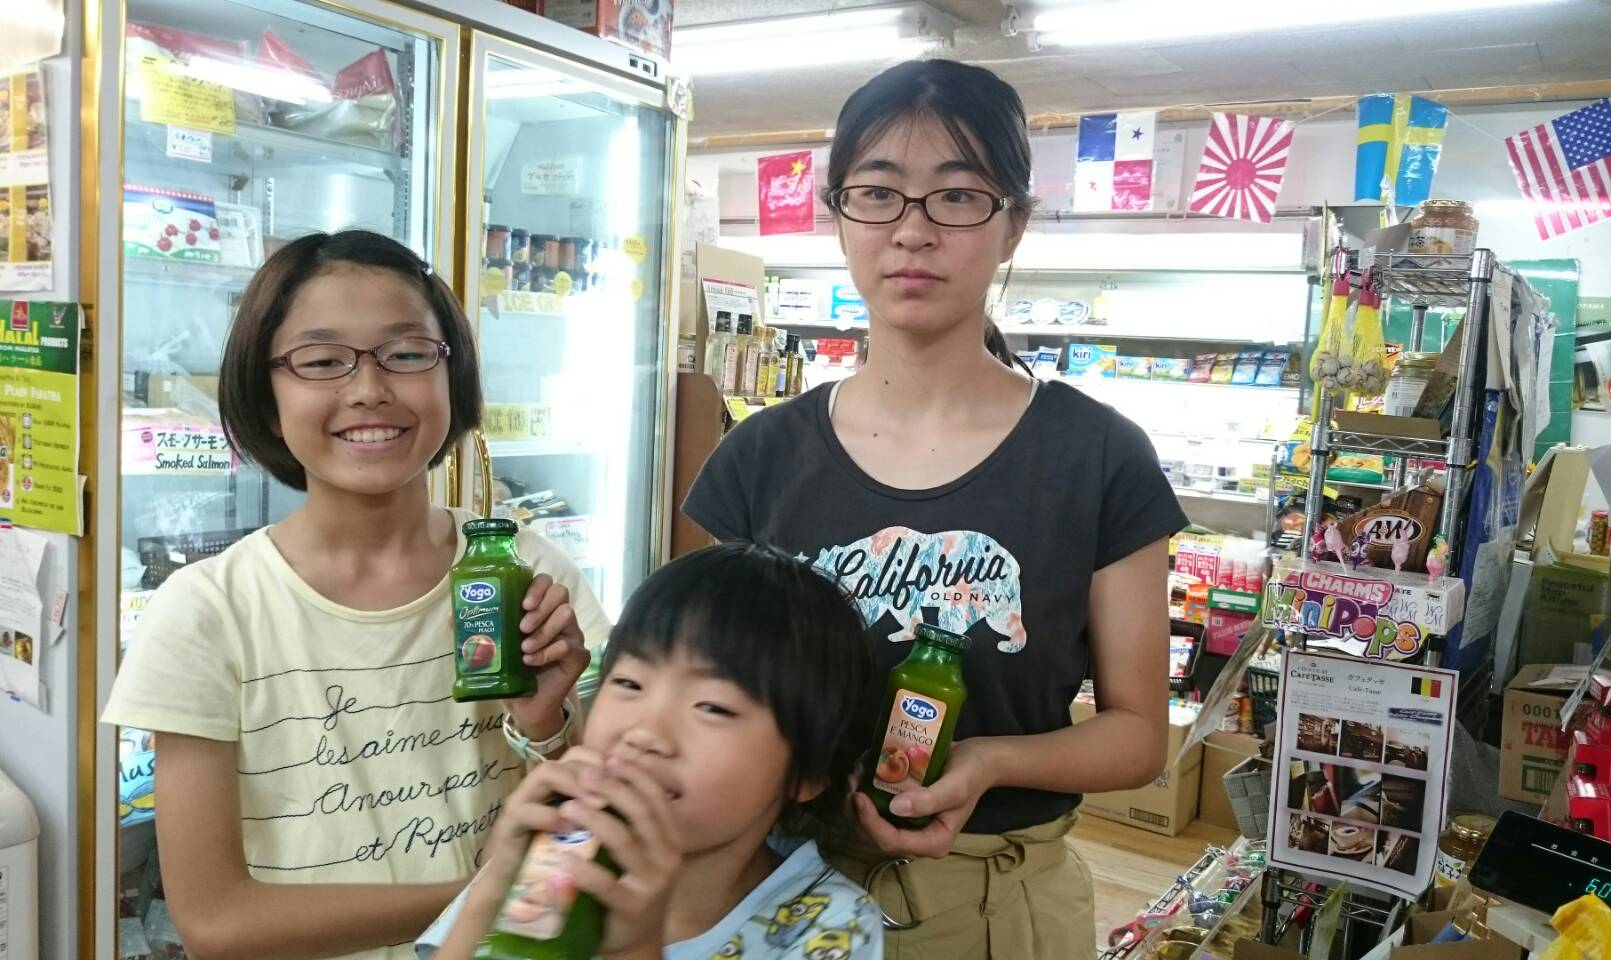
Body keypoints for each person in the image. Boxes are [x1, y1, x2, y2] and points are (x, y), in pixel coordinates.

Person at [683, 60, 1187, 958]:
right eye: (878, 194)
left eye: (957, 197)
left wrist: (988, 762)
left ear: (1013, 225)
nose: (912, 231)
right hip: (778, 894)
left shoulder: (1099, 457)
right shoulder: (758, 459)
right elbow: (706, 695)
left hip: (1001, 907)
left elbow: (1139, 736)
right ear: (838, 216)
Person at [102, 230, 610, 960]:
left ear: (453, 375)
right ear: (267, 398)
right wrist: (480, 896)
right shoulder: (208, 611)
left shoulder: (524, 569)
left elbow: (595, 822)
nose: (370, 388)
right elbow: (216, 922)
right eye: (321, 361)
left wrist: (547, 726)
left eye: (407, 354)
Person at [416, 542, 884, 959]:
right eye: (628, 682)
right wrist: (489, 895)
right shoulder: (549, 859)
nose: (645, 732)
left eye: (713, 707)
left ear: (809, 772)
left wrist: (634, 949)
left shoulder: (831, 925)